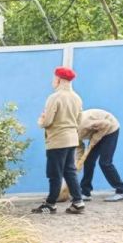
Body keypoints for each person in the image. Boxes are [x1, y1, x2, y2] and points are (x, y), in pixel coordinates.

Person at [32, 66, 86, 215]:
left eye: (53, 78)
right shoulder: (77, 98)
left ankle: (50, 204)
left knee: (54, 173)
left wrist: (40, 121)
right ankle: (78, 202)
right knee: (70, 171)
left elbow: (48, 121)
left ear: (58, 79)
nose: (52, 81)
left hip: (57, 140)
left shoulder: (54, 97)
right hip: (72, 139)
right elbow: (79, 120)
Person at [78, 108, 123, 202]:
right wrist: (78, 163)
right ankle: (85, 192)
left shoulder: (81, 125)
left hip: (110, 128)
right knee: (88, 161)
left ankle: (122, 191)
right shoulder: (71, 134)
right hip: (98, 131)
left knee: (105, 162)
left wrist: (94, 141)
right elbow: (79, 148)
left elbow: (106, 124)